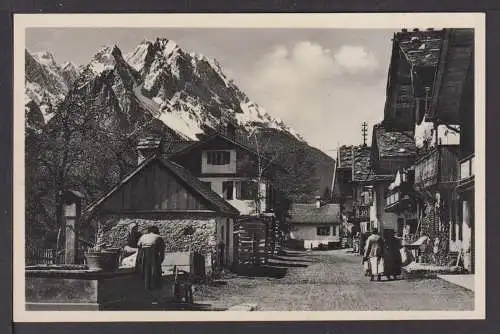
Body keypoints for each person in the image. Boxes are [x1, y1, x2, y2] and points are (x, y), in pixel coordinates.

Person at [136, 225, 166, 290]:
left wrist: (139, 258)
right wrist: (160, 260)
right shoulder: (158, 237)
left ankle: (146, 286)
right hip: (153, 253)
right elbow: (162, 250)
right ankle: (155, 286)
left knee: (146, 270)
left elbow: (139, 246)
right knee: (155, 270)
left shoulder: (143, 236)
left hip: (144, 253)